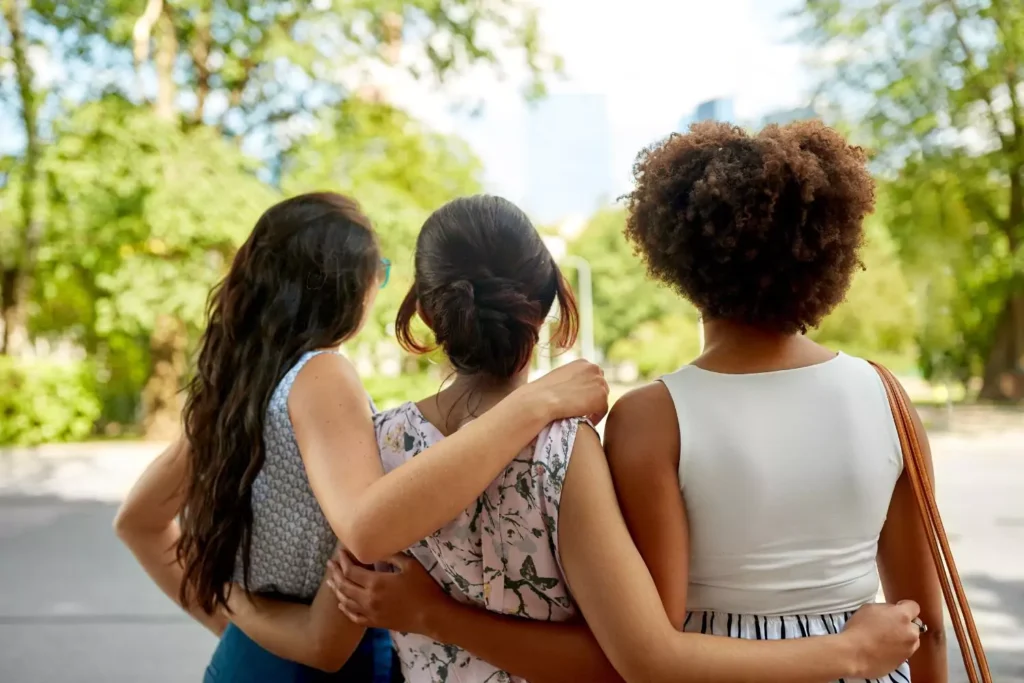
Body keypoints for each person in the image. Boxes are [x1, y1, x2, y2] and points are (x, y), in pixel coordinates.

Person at [237, 194, 924, 683]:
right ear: (551, 302)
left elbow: (334, 628)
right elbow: (629, 659)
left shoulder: (379, 446)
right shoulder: (563, 453)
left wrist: (229, 598)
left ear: (424, 310)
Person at [112, 192, 611, 682]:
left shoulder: (236, 388)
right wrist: (533, 403)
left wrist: (233, 610)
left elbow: (138, 520)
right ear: (354, 286)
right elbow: (331, 622)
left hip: (249, 659)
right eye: (382, 270)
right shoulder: (323, 375)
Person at [601, 120, 947, 682]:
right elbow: (925, 623)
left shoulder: (651, 418)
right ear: (825, 252)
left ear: (679, 257)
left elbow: (658, 641)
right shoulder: (886, 395)